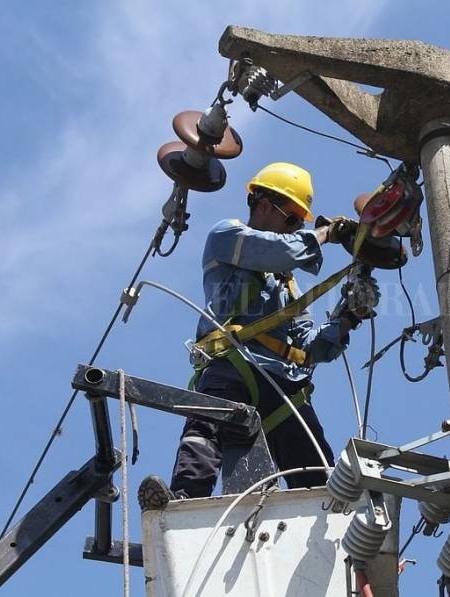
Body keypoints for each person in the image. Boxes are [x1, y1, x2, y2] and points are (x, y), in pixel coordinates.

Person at [138, 162, 369, 509]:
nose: (294, 229)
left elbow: (308, 347)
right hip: (232, 363)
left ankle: (331, 520)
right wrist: (324, 234)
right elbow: (280, 251)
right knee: (207, 428)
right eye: (291, 219)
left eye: (297, 224)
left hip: (280, 381)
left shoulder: (286, 285)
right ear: (263, 205)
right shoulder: (227, 236)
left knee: (315, 466)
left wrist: (349, 316)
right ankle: (181, 503)